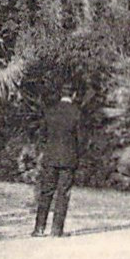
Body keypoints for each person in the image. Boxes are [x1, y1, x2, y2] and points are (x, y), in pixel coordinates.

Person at [33, 87, 83, 237]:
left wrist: (43, 152)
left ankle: (39, 228)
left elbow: (42, 135)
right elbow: (81, 139)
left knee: (46, 192)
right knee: (63, 193)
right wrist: (78, 154)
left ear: (60, 94)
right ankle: (56, 230)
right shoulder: (76, 113)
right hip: (68, 158)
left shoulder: (50, 111)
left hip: (50, 157)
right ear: (73, 95)